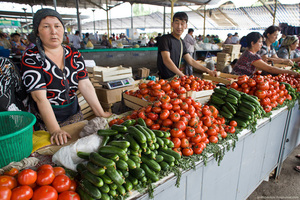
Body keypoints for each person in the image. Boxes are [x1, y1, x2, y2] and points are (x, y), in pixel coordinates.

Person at [21, 8, 112, 146]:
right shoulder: (31, 58)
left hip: (74, 114)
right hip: (47, 121)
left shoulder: (73, 53)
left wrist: (100, 113)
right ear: (37, 32)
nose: (53, 31)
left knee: (79, 146)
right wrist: (55, 130)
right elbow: (39, 97)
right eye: (46, 27)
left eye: (57, 26)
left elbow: (85, 85)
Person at [157, 12, 218, 79]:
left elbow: (191, 60)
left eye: (182, 24)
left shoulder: (181, 42)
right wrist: (182, 75)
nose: (179, 26)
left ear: (186, 26)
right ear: (172, 24)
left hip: (175, 78)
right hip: (163, 80)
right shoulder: (165, 39)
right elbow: (166, 60)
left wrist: (208, 71)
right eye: (177, 23)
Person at [231, 32, 299, 77]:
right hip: (237, 81)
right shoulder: (251, 56)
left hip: (238, 79)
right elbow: (270, 69)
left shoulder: (247, 53)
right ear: (252, 43)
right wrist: (289, 72)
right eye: (260, 42)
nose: (261, 44)